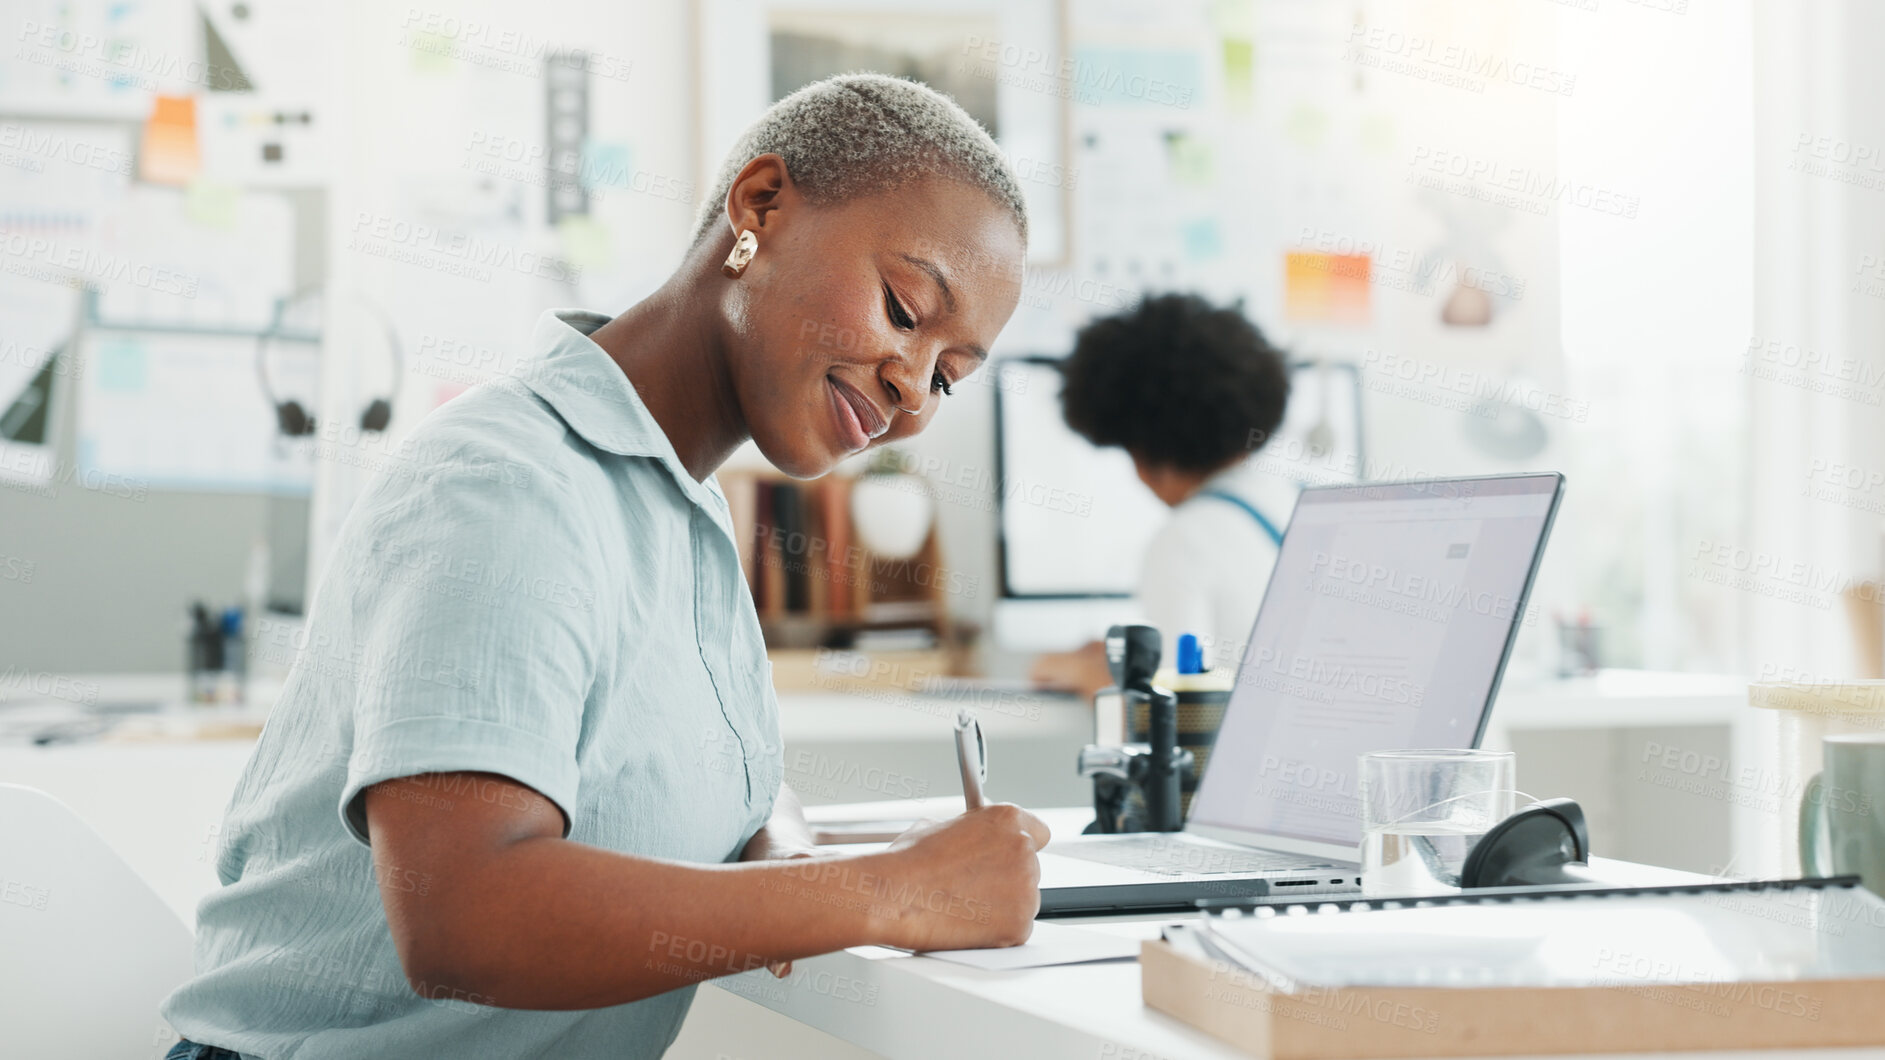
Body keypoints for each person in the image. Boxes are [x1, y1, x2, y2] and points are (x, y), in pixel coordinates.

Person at [161, 74, 1048, 1060]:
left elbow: (724, 783)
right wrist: (886, 893)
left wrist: (783, 848)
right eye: (902, 307)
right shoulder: (506, 482)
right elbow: (466, 917)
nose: (912, 389)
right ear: (759, 208)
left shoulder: (682, 508)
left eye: (949, 376)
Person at [1029, 293, 1294, 699]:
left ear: (1143, 453)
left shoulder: (1185, 541)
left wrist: (1089, 676)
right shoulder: (1291, 502)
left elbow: (1175, 707)